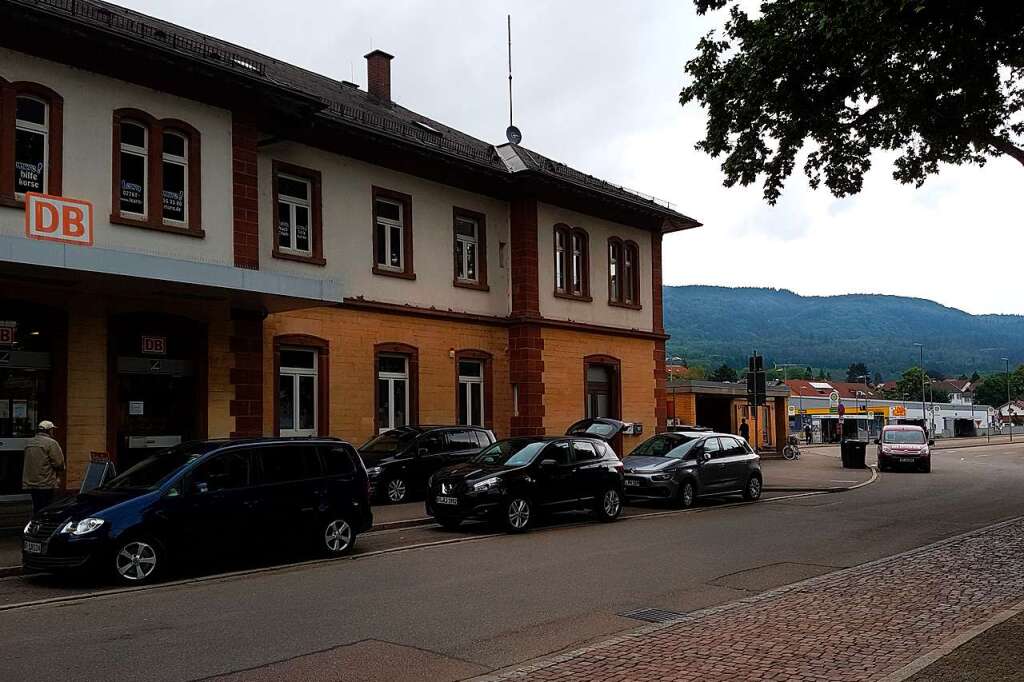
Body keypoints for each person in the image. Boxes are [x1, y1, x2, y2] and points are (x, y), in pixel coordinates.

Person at [23, 420, 65, 514]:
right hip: (46, 481)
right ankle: (43, 525)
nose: (53, 432)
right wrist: (59, 473)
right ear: (49, 430)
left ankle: (35, 524)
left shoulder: (29, 442)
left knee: (36, 505)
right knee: (46, 507)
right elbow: (59, 463)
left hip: (31, 481)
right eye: (52, 430)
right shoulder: (51, 443)